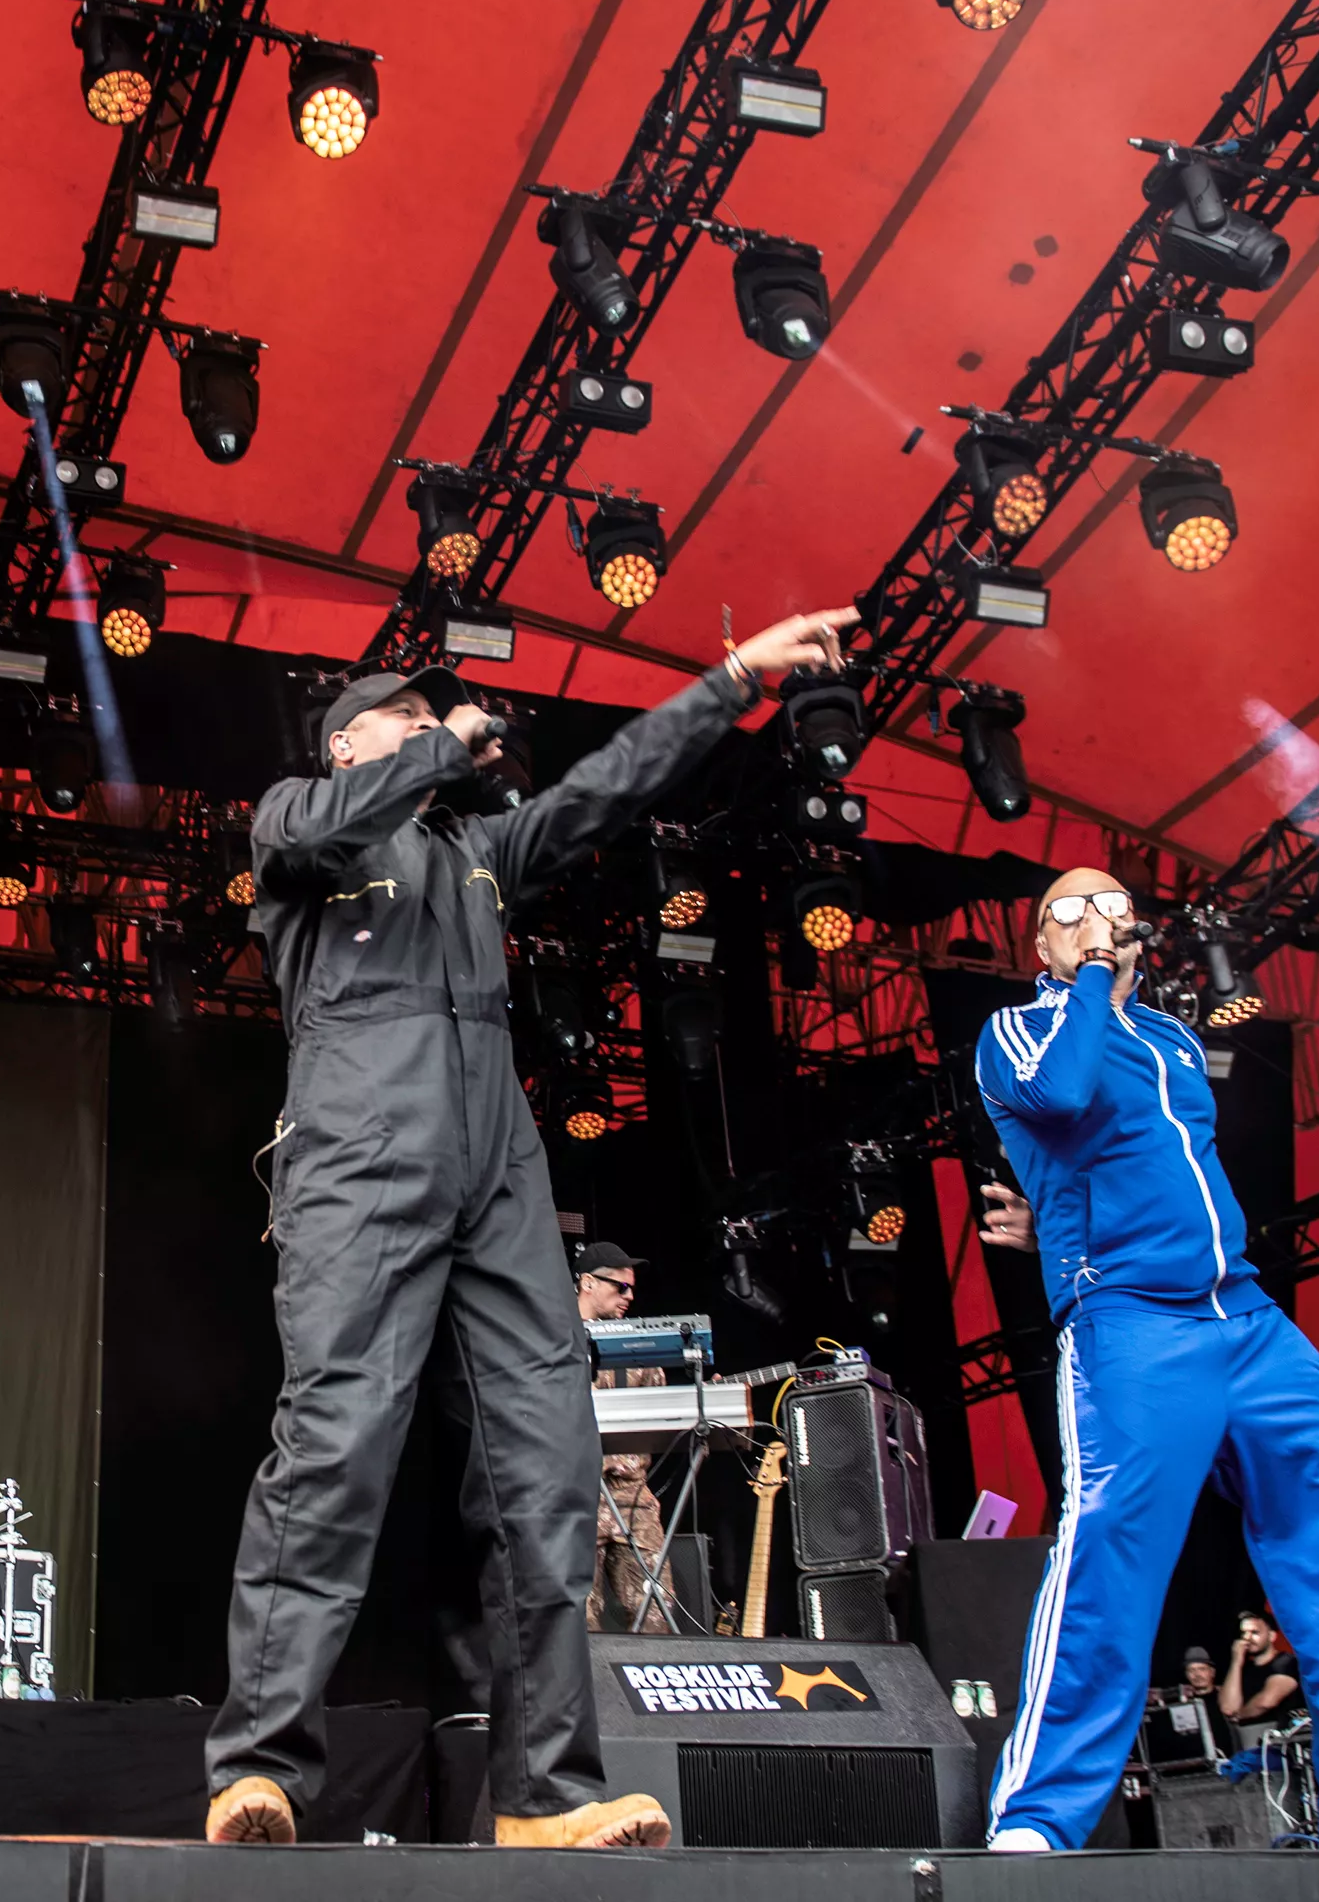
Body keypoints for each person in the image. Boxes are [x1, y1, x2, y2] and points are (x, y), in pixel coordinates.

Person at [203, 607, 860, 1851]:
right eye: (407, 716)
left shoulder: (482, 851)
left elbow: (614, 786)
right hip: (357, 1147)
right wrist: (437, 745)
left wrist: (731, 680)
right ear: (356, 743)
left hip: (497, 1159)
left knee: (545, 1472)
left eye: (434, 721)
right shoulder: (302, 819)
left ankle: (544, 1792)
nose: (441, 728)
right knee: (336, 1442)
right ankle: (263, 1766)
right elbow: (337, 814)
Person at [969, 866, 1319, 1852]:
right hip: (1135, 1324)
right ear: (1041, 947)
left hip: (1246, 1315)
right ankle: (1039, 1819)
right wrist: (1089, 986)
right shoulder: (1022, 1027)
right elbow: (1061, 1099)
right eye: (1070, 911)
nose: (1096, 920)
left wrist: (1117, 989)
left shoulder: (1175, 1038)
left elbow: (1168, 1166)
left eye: (1112, 907)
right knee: (1112, 1555)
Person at [574, 1242, 677, 1634]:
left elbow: (665, 1413)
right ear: (587, 1283)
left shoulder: (641, 1345)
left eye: (632, 1288)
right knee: (578, 1621)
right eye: (620, 1287)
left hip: (633, 1497)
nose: (630, 1297)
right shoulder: (550, 1338)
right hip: (574, 1495)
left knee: (657, 1614)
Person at [1222, 1608, 1306, 1726]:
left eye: (1254, 1632)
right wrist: (1236, 1662)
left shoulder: (1286, 1662)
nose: (1247, 1638)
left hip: (1283, 1737)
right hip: (1250, 1738)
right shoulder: (1243, 1669)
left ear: (1271, 1636)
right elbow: (1228, 1709)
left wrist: (1239, 1716)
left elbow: (1266, 1702)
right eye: (1243, 1633)